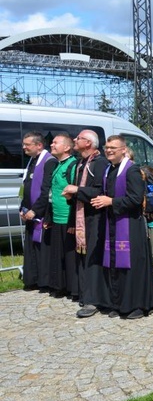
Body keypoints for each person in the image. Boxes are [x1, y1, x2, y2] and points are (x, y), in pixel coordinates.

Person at [90, 135, 153, 318]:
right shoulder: (109, 170)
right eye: (106, 147)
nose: (109, 150)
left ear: (123, 150)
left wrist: (110, 201)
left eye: (113, 148)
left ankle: (136, 305)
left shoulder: (132, 170)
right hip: (112, 223)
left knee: (131, 266)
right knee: (114, 264)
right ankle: (118, 303)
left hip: (130, 225)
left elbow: (136, 199)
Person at [63, 130, 111, 317]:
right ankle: (85, 293)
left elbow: (100, 190)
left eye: (79, 138)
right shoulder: (81, 163)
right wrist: (72, 194)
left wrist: (78, 190)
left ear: (89, 143)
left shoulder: (99, 163)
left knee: (93, 257)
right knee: (83, 257)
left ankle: (94, 299)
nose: (75, 140)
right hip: (81, 215)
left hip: (95, 218)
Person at [19, 131, 56, 290]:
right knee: (31, 248)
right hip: (29, 212)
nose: (23, 148)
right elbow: (24, 187)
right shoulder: (32, 161)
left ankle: (44, 281)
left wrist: (35, 210)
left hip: (42, 214)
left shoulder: (49, 162)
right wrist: (22, 207)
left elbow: (47, 189)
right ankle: (33, 278)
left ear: (39, 145)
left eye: (27, 145)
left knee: (42, 249)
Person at [44, 134, 77, 297]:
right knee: (58, 254)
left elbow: (74, 193)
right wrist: (48, 216)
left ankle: (73, 288)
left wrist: (73, 222)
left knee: (70, 256)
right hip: (57, 216)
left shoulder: (72, 165)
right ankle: (60, 285)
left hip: (67, 216)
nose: (51, 144)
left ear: (67, 147)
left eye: (56, 142)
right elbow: (53, 193)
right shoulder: (58, 165)